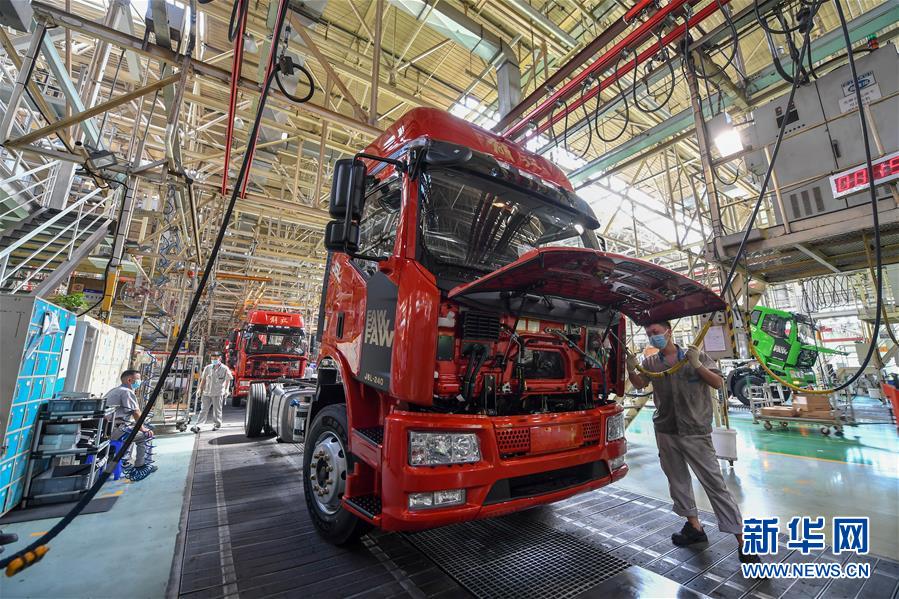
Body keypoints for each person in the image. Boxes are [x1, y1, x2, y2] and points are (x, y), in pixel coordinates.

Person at [626, 320, 760, 564]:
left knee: (715, 484)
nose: (652, 336)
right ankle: (694, 527)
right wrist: (630, 369)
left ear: (669, 331)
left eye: (655, 332)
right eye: (648, 333)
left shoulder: (694, 356)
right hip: (666, 430)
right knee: (678, 482)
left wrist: (697, 364)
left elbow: (718, 383)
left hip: (695, 431)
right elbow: (640, 384)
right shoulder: (651, 363)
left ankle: (743, 540)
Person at [104, 369, 157, 481]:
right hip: (115, 430)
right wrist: (143, 429)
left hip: (107, 429)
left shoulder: (115, 390)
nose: (140, 382)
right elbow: (136, 412)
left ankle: (125, 461)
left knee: (134, 432)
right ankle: (141, 466)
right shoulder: (127, 392)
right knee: (146, 435)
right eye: (138, 379)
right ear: (129, 380)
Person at [192, 352, 233, 433]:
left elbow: (228, 379)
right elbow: (203, 380)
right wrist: (200, 389)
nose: (214, 360)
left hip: (218, 392)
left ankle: (217, 424)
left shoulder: (225, 368)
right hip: (207, 392)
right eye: (213, 358)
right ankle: (198, 425)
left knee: (217, 410)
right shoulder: (208, 368)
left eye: (216, 358)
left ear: (220, 358)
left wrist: (226, 389)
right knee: (203, 409)